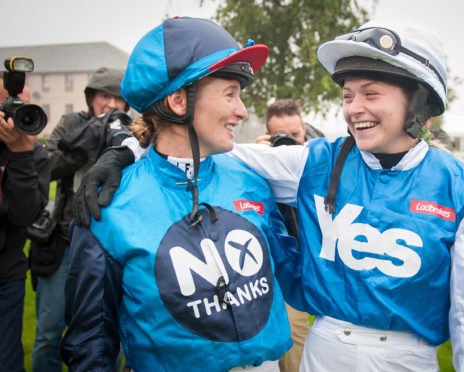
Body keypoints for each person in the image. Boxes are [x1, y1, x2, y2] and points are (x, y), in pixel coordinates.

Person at [74, 19, 464, 371]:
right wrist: (126, 150)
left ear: (418, 102)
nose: (354, 108)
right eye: (348, 95)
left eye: (371, 93)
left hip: (409, 358)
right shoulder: (311, 164)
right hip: (323, 347)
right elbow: (200, 148)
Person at [62, 17, 294, 372]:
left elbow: (291, 273)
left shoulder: (253, 180)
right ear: (179, 100)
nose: (242, 111)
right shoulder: (109, 206)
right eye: (230, 93)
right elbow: (91, 345)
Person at [31, 67, 128, 372]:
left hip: (113, 244)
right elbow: (45, 164)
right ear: (90, 98)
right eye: (104, 96)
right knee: (49, 331)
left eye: (118, 98)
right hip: (64, 240)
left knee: (112, 331)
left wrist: (117, 141)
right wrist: (88, 139)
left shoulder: (133, 129)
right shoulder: (72, 123)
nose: (111, 104)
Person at [255, 99, 321, 372]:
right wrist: (258, 159)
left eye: (295, 134)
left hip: (302, 265)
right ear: (269, 134)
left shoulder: (324, 157)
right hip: (270, 263)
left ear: (304, 127)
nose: (290, 140)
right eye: (281, 135)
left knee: (295, 336)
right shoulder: (262, 157)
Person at [0, 73, 50, 372]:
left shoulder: (35, 154)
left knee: (6, 361)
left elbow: (25, 215)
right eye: (9, 107)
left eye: (25, 108)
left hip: (6, 275)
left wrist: (20, 156)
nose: (17, 116)